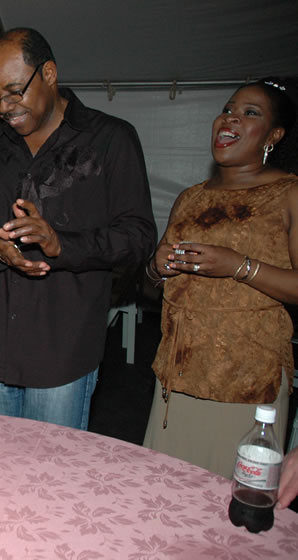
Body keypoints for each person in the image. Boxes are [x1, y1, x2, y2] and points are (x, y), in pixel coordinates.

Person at [0, 28, 156, 430]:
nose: (5, 107)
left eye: (14, 91)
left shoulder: (110, 139)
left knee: (52, 480)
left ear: (49, 73)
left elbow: (138, 237)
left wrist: (62, 244)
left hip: (63, 353)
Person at [143, 78, 298, 478]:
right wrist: (156, 267)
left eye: (250, 113)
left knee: (229, 510)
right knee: (165, 498)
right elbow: (151, 286)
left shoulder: (287, 194)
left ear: (274, 135)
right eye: (228, 109)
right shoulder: (190, 198)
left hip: (247, 383)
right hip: (177, 381)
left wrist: (238, 266)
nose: (230, 118)